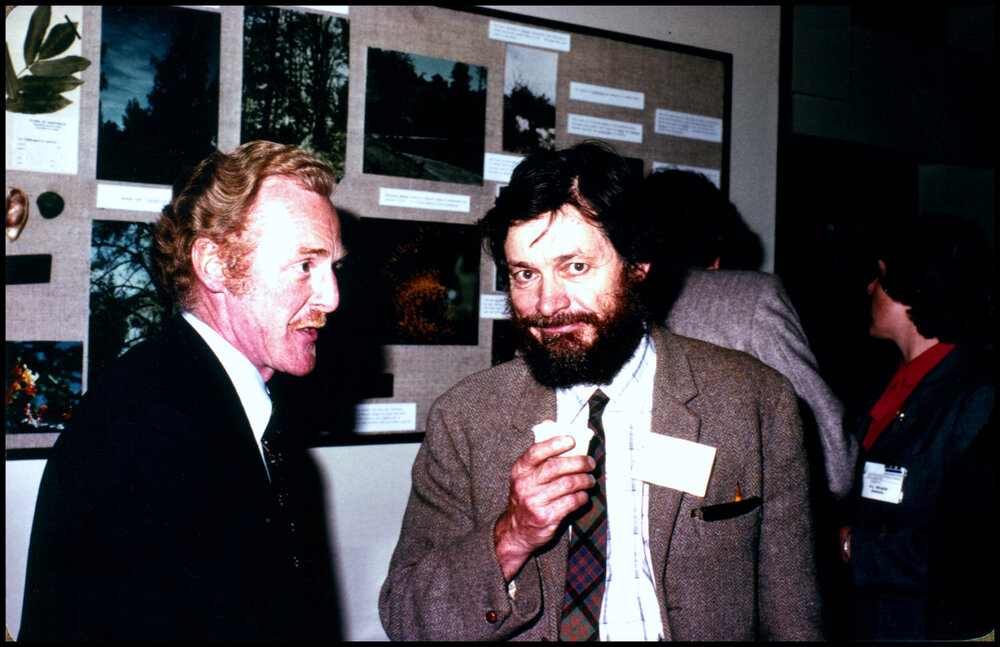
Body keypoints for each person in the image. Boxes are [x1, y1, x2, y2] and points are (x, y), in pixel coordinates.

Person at [379, 142, 822, 641]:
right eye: (526, 274)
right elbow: (407, 620)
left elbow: (794, 615)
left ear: (638, 263)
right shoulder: (465, 419)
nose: (547, 304)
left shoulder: (753, 401)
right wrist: (511, 536)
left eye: (575, 267)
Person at [19, 141, 346, 641]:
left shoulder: (205, 402)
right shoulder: (153, 430)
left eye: (332, 268)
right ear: (215, 264)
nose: (331, 297)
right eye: (306, 265)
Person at [638, 168, 856, 501]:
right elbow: (833, 459)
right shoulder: (751, 298)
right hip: (723, 527)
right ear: (716, 249)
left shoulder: (600, 303)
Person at [837, 214, 995, 640]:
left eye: (882, 277)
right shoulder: (892, 380)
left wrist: (857, 547)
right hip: (871, 616)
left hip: (922, 625)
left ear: (915, 290)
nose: (869, 287)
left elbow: (971, 548)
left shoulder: (975, 396)